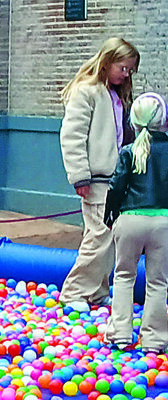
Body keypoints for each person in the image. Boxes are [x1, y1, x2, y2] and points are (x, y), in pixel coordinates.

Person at [58, 37, 140, 315]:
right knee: (99, 235)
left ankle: (96, 290)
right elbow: (72, 136)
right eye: (122, 68)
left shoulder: (116, 95)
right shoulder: (87, 92)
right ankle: (74, 291)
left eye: (130, 70)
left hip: (114, 179)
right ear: (106, 62)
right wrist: (80, 176)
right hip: (95, 179)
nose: (126, 74)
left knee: (109, 235)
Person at [104, 93, 168, 353]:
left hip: (130, 219)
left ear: (133, 121)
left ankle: (120, 332)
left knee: (123, 275)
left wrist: (110, 215)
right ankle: (154, 339)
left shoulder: (128, 151)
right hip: (163, 221)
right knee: (158, 281)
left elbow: (117, 186)